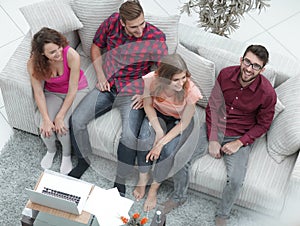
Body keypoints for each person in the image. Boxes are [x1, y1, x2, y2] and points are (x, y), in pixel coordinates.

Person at [162, 45, 277, 226]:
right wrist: (213, 137)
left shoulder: (268, 93)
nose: (249, 68)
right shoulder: (225, 75)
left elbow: (263, 124)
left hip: (240, 135)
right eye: (247, 61)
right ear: (241, 59)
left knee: (237, 180)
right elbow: (213, 106)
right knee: (181, 156)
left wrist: (239, 143)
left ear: (262, 70)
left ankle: (222, 214)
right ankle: (178, 196)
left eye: (256, 66)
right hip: (215, 126)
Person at [68, 0, 168, 196]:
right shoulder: (112, 22)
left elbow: (162, 71)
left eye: (142, 24)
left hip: (132, 93)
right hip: (108, 86)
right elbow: (96, 46)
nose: (140, 30)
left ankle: (120, 178)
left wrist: (147, 93)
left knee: (129, 136)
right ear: (122, 23)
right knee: (77, 120)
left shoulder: (155, 37)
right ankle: (83, 160)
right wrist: (100, 75)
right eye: (134, 27)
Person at [133, 53, 202, 211]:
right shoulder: (151, 79)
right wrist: (158, 130)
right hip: (157, 114)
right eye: (176, 79)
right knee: (144, 139)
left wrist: (161, 143)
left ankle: (153, 189)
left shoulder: (191, 90)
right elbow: (148, 105)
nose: (181, 83)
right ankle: (143, 180)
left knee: (168, 152)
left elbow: (185, 122)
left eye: (183, 77)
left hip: (179, 122)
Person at [27, 27, 89, 174]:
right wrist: (46, 119)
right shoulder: (33, 63)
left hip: (77, 90)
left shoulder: (72, 55)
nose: (59, 53)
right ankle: (51, 150)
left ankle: (66, 156)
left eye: (59, 48)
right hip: (52, 92)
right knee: (45, 126)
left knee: (63, 126)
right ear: (42, 53)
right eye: (52, 52)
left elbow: (73, 89)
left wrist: (60, 116)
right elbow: (39, 93)